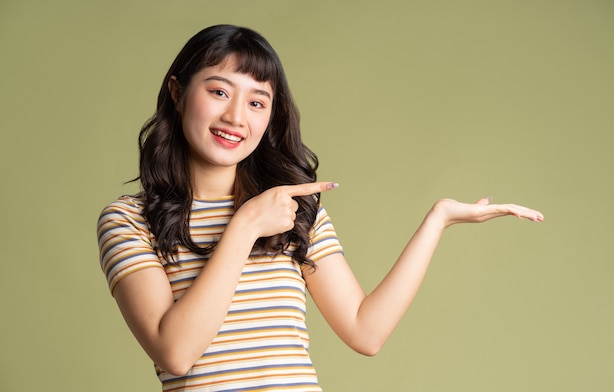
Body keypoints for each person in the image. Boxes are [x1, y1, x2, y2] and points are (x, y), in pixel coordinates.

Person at [97, 24, 543, 392]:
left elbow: (364, 332)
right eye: (218, 92)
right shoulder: (128, 221)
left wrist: (438, 219)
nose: (237, 116)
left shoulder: (291, 210)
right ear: (177, 92)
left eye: (257, 102)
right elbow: (175, 351)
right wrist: (245, 224)